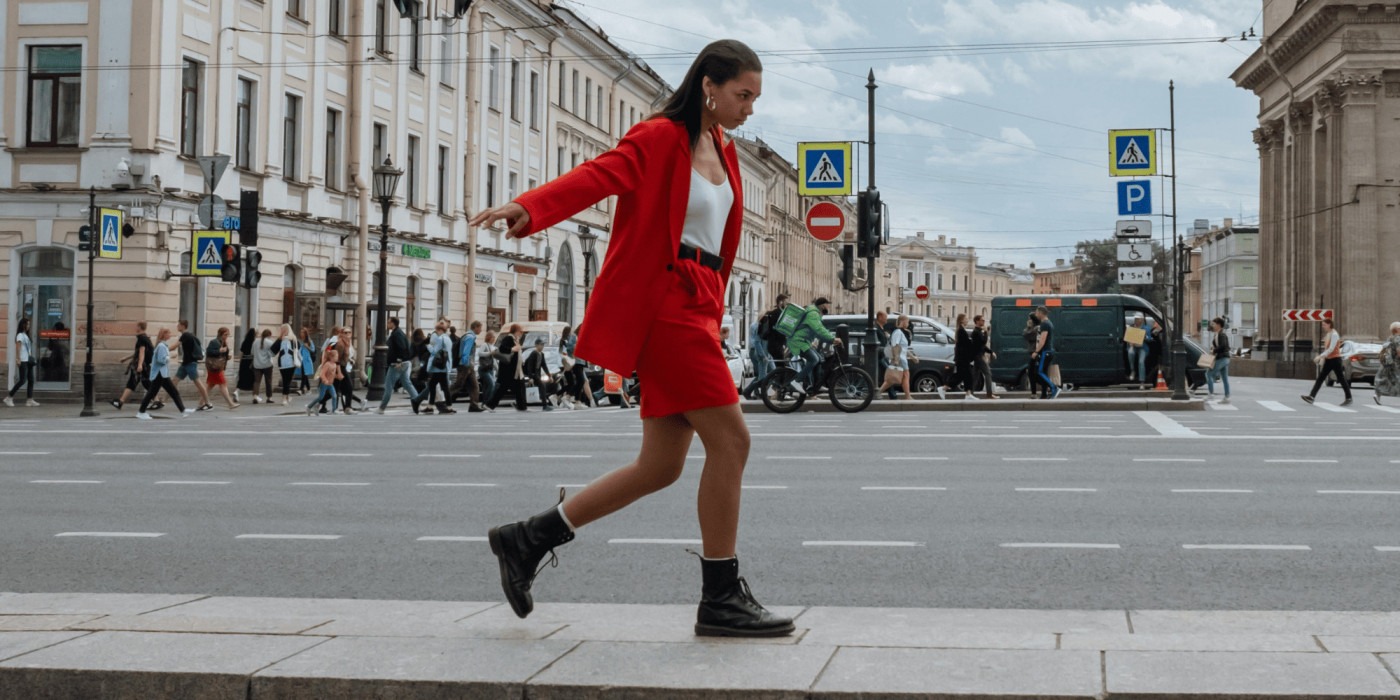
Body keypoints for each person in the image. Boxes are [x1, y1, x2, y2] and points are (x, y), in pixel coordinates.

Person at [469, 40, 792, 637]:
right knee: (733, 442)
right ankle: (720, 595)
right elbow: (598, 176)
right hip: (664, 304)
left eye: (755, 98)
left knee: (659, 466)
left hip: (698, 305)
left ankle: (527, 538)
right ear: (709, 87)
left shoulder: (724, 149)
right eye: (742, 95)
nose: (750, 109)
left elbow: (717, 239)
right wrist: (527, 207)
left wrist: (715, 308)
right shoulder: (658, 137)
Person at [785, 297, 841, 395]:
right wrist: (832, 339)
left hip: (804, 341)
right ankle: (796, 381)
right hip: (798, 341)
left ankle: (816, 385)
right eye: (828, 304)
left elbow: (820, 332)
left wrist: (831, 339)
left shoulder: (815, 314)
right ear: (822, 305)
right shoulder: (813, 314)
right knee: (814, 359)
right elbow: (818, 329)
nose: (828, 307)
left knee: (819, 358)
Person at [136, 327, 192, 418]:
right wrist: (171, 356)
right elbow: (160, 360)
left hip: (162, 374)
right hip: (160, 374)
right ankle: (141, 412)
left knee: (172, 392)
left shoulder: (162, 345)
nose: (170, 335)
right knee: (153, 393)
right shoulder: (161, 346)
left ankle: (183, 410)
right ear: (164, 335)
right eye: (169, 333)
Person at [741, 294, 788, 400]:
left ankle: (765, 391)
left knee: (772, 373)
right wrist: (762, 355)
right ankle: (750, 391)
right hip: (763, 354)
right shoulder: (759, 326)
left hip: (767, 354)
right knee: (763, 376)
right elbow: (757, 341)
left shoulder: (766, 327)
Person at [1303, 317, 1353, 406]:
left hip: (1335, 360)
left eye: (1324, 325)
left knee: (1341, 379)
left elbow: (1331, 349)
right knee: (1321, 378)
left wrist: (1320, 356)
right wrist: (1323, 358)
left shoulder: (1334, 334)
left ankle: (1349, 398)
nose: (1323, 326)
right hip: (1329, 360)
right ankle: (1311, 397)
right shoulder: (1329, 334)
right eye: (1322, 325)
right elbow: (1327, 348)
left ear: (1329, 325)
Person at [378, 317, 423, 415]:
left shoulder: (396, 334)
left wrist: (399, 360)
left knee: (388, 385)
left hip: (397, 364)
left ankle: (382, 407)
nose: (387, 323)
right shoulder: (397, 333)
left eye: (388, 322)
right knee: (407, 384)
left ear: (393, 323)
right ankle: (417, 401)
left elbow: (402, 348)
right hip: (404, 363)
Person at [111, 321, 155, 410]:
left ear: (139, 327)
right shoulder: (145, 337)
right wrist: (126, 358)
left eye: (136, 326)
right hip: (145, 365)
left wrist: (139, 365)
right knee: (146, 383)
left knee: (132, 382)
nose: (135, 328)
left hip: (142, 365)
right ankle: (157, 400)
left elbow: (141, 353)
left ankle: (121, 402)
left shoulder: (142, 338)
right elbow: (138, 352)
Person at [485, 324, 526, 412]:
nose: (521, 333)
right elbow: (502, 348)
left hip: (516, 370)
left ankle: (522, 406)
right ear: (515, 331)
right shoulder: (509, 338)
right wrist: (512, 349)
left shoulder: (516, 340)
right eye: (520, 331)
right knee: (503, 389)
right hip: (509, 370)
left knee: (520, 387)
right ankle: (490, 405)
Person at [173, 320, 213, 411]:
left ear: (183, 326)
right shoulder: (188, 335)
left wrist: (163, 349)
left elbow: (175, 346)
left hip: (191, 364)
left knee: (198, 383)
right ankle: (163, 401)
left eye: (178, 325)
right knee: (174, 381)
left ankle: (208, 403)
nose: (177, 326)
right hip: (185, 363)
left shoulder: (185, 335)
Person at [877, 314, 912, 400]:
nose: (908, 324)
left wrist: (913, 357)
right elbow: (895, 345)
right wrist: (896, 359)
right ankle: (908, 396)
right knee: (901, 376)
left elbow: (903, 348)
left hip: (901, 358)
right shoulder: (898, 332)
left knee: (896, 378)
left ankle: (878, 392)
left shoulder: (903, 332)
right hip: (899, 358)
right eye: (907, 322)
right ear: (903, 322)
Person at [4, 318, 37, 407]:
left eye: (29, 324)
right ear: (23, 325)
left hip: (28, 360)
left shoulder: (26, 335)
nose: (29, 326)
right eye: (27, 324)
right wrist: (18, 359)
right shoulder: (20, 335)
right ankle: (9, 397)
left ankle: (29, 400)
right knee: (22, 380)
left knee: (31, 380)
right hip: (22, 360)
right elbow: (18, 347)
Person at [425, 320, 456, 414]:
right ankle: (448, 407)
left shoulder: (440, 339)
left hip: (438, 366)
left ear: (439, 329)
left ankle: (431, 407)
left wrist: (428, 346)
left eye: (436, 329)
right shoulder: (447, 338)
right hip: (445, 365)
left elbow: (434, 351)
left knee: (433, 386)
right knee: (442, 387)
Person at [204, 327, 239, 409]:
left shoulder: (223, 342)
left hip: (218, 367)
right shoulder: (214, 342)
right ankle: (231, 404)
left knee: (210, 385)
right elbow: (209, 352)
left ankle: (201, 403)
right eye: (225, 334)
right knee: (223, 384)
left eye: (227, 335)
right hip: (214, 367)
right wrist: (219, 351)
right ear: (220, 334)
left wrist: (227, 356)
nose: (226, 336)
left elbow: (222, 354)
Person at [558, 325, 591, 409]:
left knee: (580, 381)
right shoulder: (574, 336)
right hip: (577, 361)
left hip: (579, 361)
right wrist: (577, 349)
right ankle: (569, 397)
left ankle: (577, 401)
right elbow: (570, 348)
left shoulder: (577, 337)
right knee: (580, 381)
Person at [1032, 305, 1060, 399]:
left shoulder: (1045, 324)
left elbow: (1042, 340)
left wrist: (1036, 351)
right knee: (1043, 372)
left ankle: (1053, 388)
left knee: (1039, 372)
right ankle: (1045, 393)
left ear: (1040, 313)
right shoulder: (1049, 323)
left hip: (1045, 351)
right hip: (1048, 351)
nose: (1036, 314)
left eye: (1036, 312)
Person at [272, 323, 302, 406]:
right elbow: (272, 351)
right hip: (287, 363)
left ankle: (285, 397)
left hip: (287, 363)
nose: (281, 331)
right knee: (286, 381)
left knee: (286, 381)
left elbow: (272, 351)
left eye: (282, 330)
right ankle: (285, 397)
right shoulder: (290, 339)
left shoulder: (288, 339)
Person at [523, 337, 556, 412]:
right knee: (542, 386)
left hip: (537, 374)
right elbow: (529, 366)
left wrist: (549, 376)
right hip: (532, 374)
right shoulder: (533, 354)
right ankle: (544, 405)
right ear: (536, 345)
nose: (542, 346)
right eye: (541, 345)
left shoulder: (541, 354)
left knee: (543, 387)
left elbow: (544, 366)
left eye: (543, 345)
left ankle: (544, 404)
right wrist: (530, 377)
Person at [306, 346, 341, 416]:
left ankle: (334, 410)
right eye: (336, 357)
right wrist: (325, 380)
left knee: (334, 396)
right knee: (320, 397)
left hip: (330, 384)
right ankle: (309, 406)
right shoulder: (327, 364)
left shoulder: (334, 365)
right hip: (324, 384)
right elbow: (322, 374)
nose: (337, 358)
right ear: (331, 357)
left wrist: (337, 376)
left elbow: (332, 374)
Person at [1204, 317, 1231, 404]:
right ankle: (1227, 397)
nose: (1212, 325)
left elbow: (1223, 345)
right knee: (1225, 379)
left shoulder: (1221, 335)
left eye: (1213, 324)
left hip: (1223, 358)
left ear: (1219, 325)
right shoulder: (1218, 334)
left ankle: (1211, 394)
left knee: (1208, 374)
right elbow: (1226, 346)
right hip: (1224, 358)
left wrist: (1214, 350)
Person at [953, 313, 979, 401]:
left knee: (966, 376)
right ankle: (945, 387)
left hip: (963, 358)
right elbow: (966, 343)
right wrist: (973, 343)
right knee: (964, 376)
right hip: (962, 358)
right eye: (966, 318)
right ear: (961, 320)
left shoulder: (961, 330)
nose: (967, 319)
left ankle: (968, 394)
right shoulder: (961, 331)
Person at [972, 315, 998, 399]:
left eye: (983, 320)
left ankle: (970, 393)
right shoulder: (976, 332)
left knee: (975, 375)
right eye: (982, 320)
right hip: (979, 356)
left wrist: (991, 352)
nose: (983, 321)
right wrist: (986, 332)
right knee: (988, 373)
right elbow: (983, 343)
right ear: (977, 321)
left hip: (978, 355)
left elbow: (982, 346)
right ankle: (989, 394)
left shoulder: (978, 331)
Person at [1375, 322, 1400, 406]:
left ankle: (1378, 394)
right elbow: (1399, 351)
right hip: (1396, 364)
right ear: (1397, 329)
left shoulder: (1389, 338)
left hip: (1387, 363)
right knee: (1396, 381)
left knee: (1386, 379)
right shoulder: (1398, 338)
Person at [251, 329, 275, 403]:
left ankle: (255, 396)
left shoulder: (255, 341)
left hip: (257, 364)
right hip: (267, 365)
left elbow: (252, 352)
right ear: (270, 335)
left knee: (256, 381)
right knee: (268, 381)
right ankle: (269, 397)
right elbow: (272, 354)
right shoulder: (270, 342)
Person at [1022, 312, 1042, 399]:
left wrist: (1028, 327)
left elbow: (1027, 335)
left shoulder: (1037, 328)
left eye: (1029, 319)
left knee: (1033, 373)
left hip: (1036, 352)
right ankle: (1034, 393)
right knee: (1032, 373)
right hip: (1033, 352)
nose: (1028, 320)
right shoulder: (1033, 328)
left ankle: (1049, 386)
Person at [235, 327, 257, 403]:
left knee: (241, 377)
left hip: (244, 361)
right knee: (253, 378)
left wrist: (240, 362)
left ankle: (236, 391)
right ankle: (254, 396)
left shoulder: (244, 342)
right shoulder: (254, 342)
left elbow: (241, 353)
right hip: (251, 362)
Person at [1126, 315, 1147, 389]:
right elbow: (1127, 337)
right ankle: (1132, 371)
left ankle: (1142, 382)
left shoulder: (1145, 328)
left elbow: (1149, 337)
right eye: (1135, 319)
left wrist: (1145, 338)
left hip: (1142, 348)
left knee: (1141, 362)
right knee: (1130, 353)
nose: (1136, 320)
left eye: (1138, 319)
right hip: (1133, 346)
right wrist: (1130, 343)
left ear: (1141, 320)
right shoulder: (1131, 327)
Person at [478, 330, 498, 408]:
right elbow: (479, 353)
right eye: (492, 337)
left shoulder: (493, 347)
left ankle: (484, 403)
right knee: (491, 384)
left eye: (494, 337)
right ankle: (487, 402)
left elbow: (494, 360)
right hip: (484, 369)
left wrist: (497, 369)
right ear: (489, 337)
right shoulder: (484, 345)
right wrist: (489, 353)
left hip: (490, 369)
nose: (494, 338)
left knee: (487, 387)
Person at [295, 327, 316, 393]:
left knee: (304, 374)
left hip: (306, 360)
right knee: (304, 374)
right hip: (301, 359)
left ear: (305, 333)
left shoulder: (309, 341)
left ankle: (301, 389)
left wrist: (307, 347)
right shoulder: (300, 341)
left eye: (303, 332)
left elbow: (313, 350)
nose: (301, 334)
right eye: (301, 332)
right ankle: (309, 388)